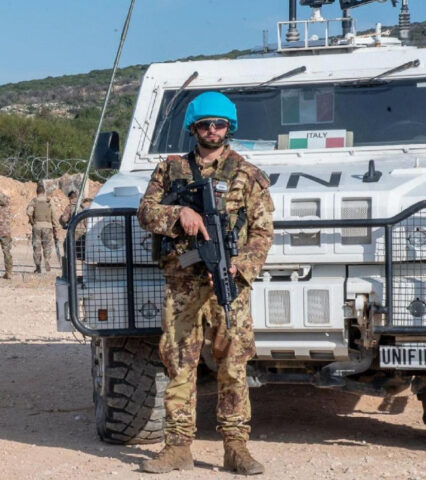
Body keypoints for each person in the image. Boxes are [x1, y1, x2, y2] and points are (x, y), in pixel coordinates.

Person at [136, 91, 274, 475]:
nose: (213, 131)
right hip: (183, 284)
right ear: (192, 128)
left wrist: (238, 266)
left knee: (233, 363)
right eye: (205, 124)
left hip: (228, 284)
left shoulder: (247, 175)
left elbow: (262, 233)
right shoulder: (171, 169)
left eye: (220, 124)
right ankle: (177, 446)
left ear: (230, 127)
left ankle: (236, 447)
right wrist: (179, 212)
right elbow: (145, 213)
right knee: (179, 362)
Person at [26, 183, 59, 273]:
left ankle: (38, 266)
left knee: (37, 246)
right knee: (47, 245)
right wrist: (56, 227)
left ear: (37, 192)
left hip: (37, 226)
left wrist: (32, 221)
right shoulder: (49, 201)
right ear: (44, 192)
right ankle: (47, 259)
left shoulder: (34, 201)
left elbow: (29, 212)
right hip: (47, 226)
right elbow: (54, 214)